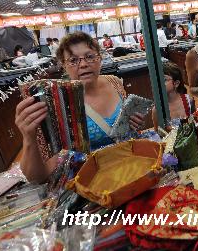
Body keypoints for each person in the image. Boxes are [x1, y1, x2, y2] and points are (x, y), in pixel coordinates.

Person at [15, 31, 146, 183]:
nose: (83, 64)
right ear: (64, 66)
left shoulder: (114, 82)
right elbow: (37, 177)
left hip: (130, 169)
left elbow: (126, 128)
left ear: (100, 59)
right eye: (73, 60)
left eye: (90, 57)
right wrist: (29, 138)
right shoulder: (56, 103)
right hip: (90, 182)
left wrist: (134, 123)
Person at [151, 62, 194, 131]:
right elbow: (158, 134)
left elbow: (195, 124)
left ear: (176, 83)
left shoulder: (188, 101)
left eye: (164, 80)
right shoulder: (157, 110)